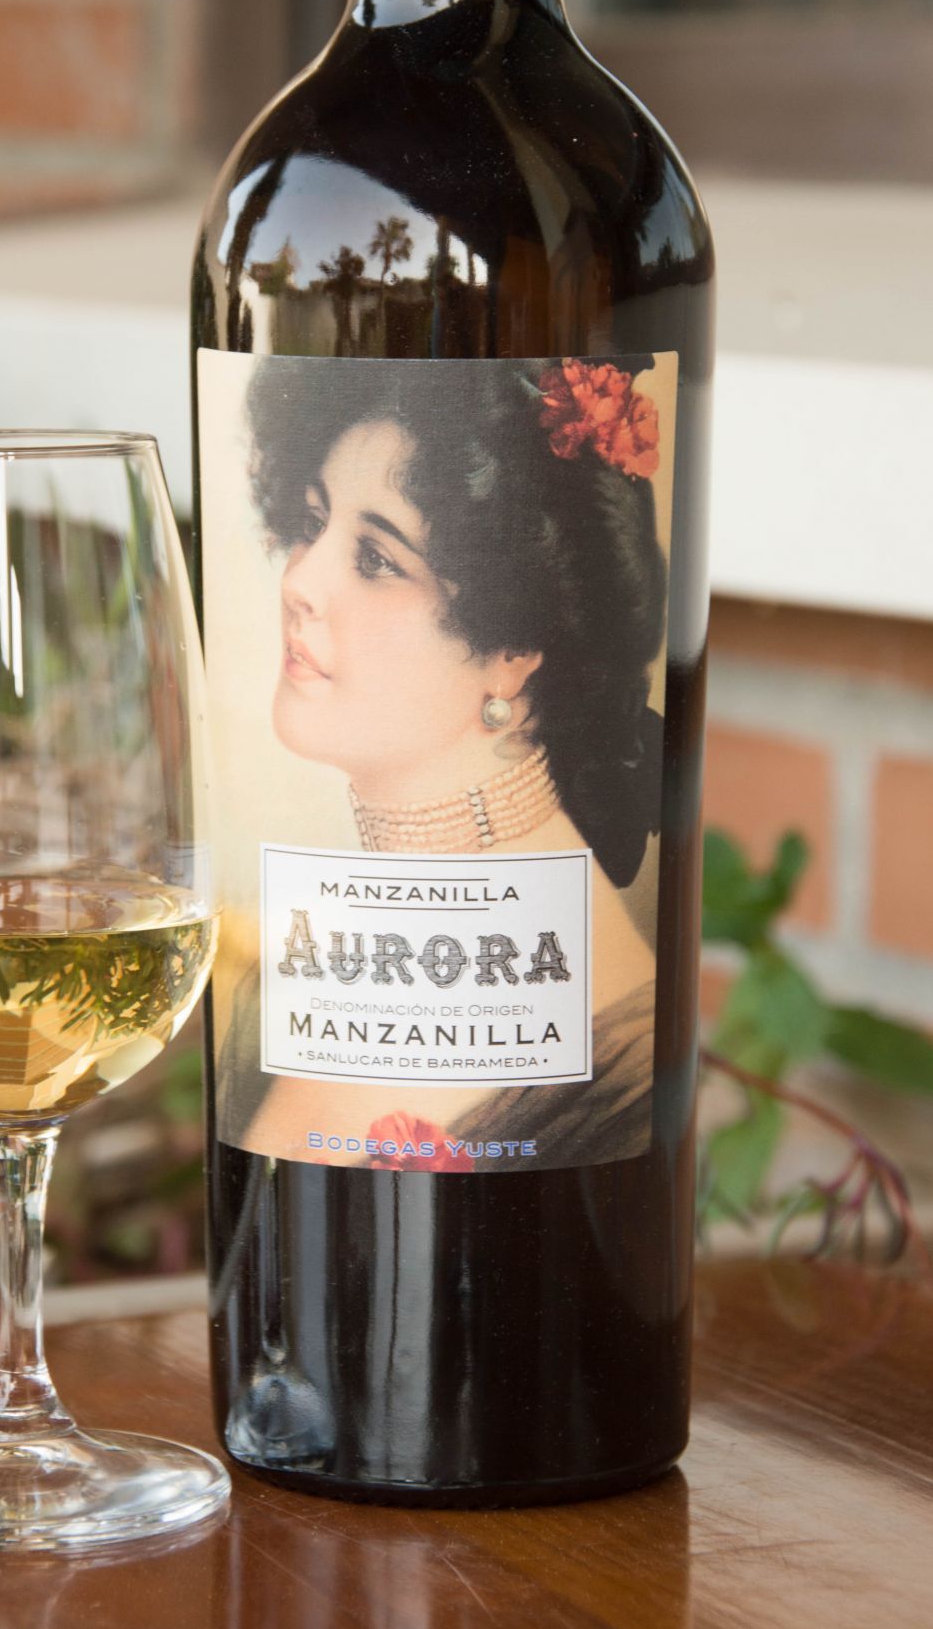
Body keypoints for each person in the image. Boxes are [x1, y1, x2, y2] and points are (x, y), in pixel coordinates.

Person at [232, 355, 671, 1170]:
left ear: (513, 649)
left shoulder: (617, 1077)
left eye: (377, 558)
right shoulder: (280, 974)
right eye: (314, 522)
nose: (299, 580)